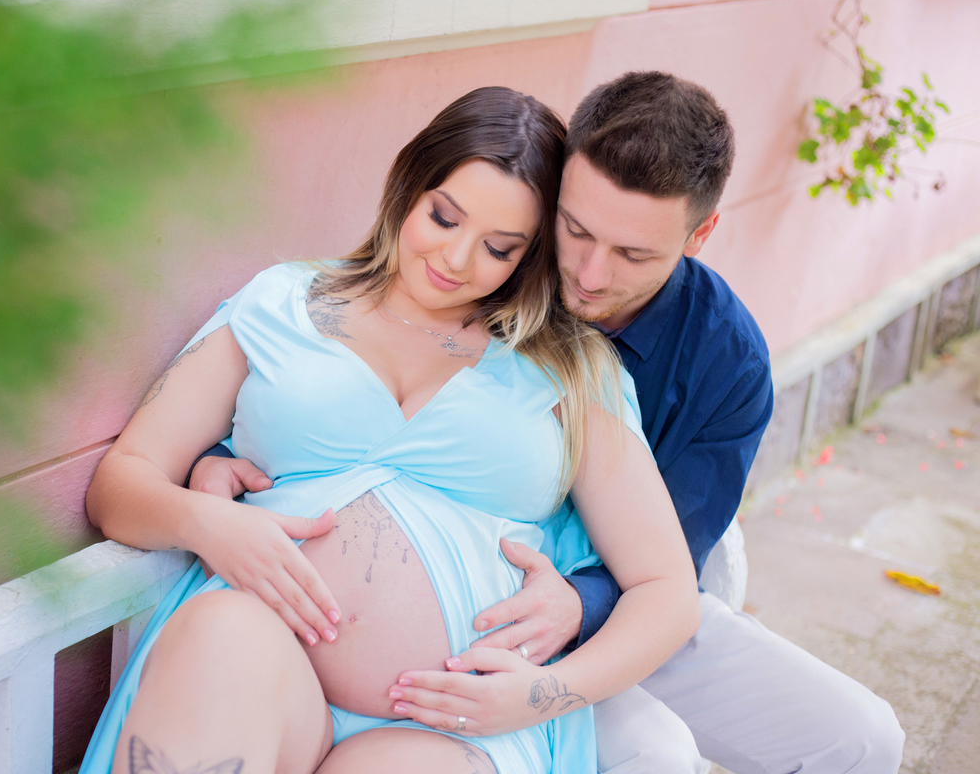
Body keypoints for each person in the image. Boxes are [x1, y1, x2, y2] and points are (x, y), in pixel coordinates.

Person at [193, 72, 906, 774]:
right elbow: (351, 384)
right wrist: (224, 454)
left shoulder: (726, 359)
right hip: (488, 610)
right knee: (655, 756)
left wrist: (576, 601)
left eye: (634, 254)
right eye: (576, 230)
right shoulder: (489, 261)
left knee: (864, 739)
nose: (591, 274)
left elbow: (669, 565)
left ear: (700, 234)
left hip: (610, 603)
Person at [79, 86, 700, 774]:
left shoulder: (571, 369)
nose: (457, 259)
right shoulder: (283, 303)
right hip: (266, 668)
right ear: (410, 183)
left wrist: (539, 696)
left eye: (498, 247)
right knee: (219, 639)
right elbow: (121, 482)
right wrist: (204, 523)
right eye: (442, 217)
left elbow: (667, 593)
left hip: (459, 727)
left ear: (528, 258)